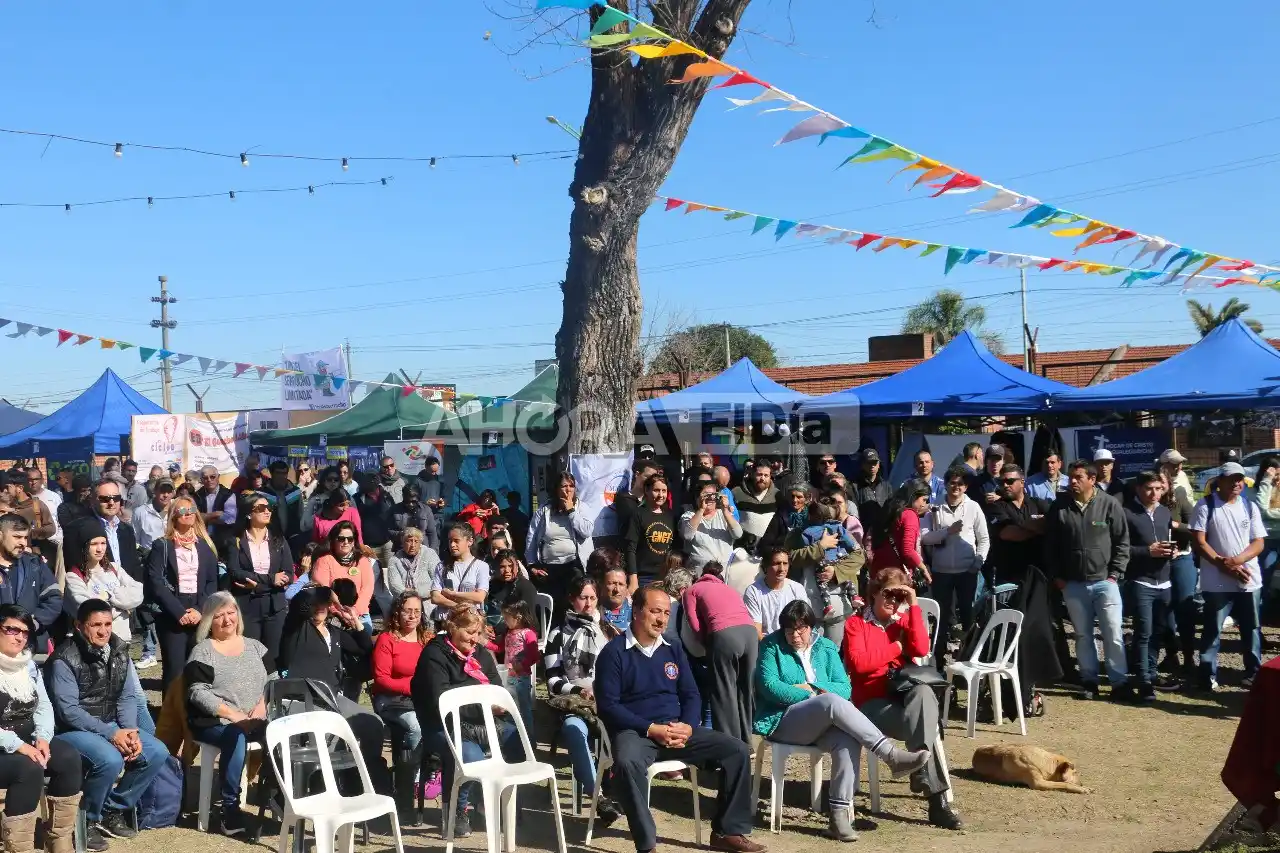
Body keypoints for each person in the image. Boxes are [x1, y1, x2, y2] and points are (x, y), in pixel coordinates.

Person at [595, 586, 766, 853]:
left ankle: (728, 832)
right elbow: (608, 706)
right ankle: (647, 844)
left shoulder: (673, 649)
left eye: (666, 612)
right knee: (627, 763)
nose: (662, 619)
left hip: (676, 729)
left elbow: (691, 694)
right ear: (637, 612)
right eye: (655, 611)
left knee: (738, 750)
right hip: (636, 731)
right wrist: (651, 729)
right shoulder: (614, 652)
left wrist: (688, 724)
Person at [755, 600, 929, 842]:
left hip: (821, 722)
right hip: (783, 720)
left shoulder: (825, 646)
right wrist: (812, 694)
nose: (795, 635)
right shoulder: (771, 646)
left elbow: (844, 687)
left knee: (847, 738)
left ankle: (838, 817)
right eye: (789, 630)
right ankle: (891, 755)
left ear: (811, 627)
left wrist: (812, 687)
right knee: (830, 702)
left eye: (801, 629)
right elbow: (769, 687)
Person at [843, 568, 963, 830]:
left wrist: (914, 605)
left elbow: (920, 648)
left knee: (923, 693)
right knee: (926, 724)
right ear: (874, 592)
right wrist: (896, 648)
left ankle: (920, 768)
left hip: (906, 701)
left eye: (899, 595)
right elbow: (859, 665)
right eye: (888, 593)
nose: (893, 601)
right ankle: (937, 804)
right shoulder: (856, 624)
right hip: (871, 704)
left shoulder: (903, 621)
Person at [50, 600, 169, 847]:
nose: (103, 631)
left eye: (107, 624)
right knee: (109, 759)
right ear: (79, 626)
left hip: (110, 724)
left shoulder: (118, 650)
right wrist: (112, 732)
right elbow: (68, 711)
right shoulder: (64, 658)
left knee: (157, 751)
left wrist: (130, 731)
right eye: (96, 625)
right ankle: (89, 820)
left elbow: (126, 696)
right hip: (71, 730)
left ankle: (113, 809)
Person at [411, 604, 524, 838]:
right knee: (470, 755)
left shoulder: (481, 654)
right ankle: (457, 809)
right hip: (440, 725)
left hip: (479, 722)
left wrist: (491, 703)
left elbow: (496, 688)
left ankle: (495, 799)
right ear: (452, 627)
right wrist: (481, 701)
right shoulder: (434, 655)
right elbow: (441, 700)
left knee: (517, 739)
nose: (474, 639)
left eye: (477, 633)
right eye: (469, 632)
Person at [276, 585, 388, 789]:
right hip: (302, 699)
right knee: (331, 730)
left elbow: (364, 648)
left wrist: (356, 622)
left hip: (332, 699)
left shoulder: (334, 633)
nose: (319, 607)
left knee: (373, 723)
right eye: (315, 604)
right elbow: (300, 602)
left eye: (323, 604)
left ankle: (361, 780)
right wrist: (329, 594)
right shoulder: (296, 628)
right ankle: (320, 786)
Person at [184, 592, 273, 836]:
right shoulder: (203, 651)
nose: (226, 620)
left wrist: (263, 704)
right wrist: (234, 715)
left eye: (231, 613)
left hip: (256, 716)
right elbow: (197, 693)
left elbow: (274, 680)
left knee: (284, 732)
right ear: (208, 622)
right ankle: (229, 808)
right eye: (218, 616)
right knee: (236, 737)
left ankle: (278, 793)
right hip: (215, 721)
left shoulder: (255, 646)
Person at [0, 604, 82, 853]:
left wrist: (43, 737)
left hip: (26, 737)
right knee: (28, 769)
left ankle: (59, 839)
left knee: (68, 757)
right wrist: (20, 746)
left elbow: (43, 705)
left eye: (25, 632)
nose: (20, 637)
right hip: (6, 745)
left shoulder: (28, 665)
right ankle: (20, 848)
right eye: (11, 630)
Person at [1046, 460, 1131, 701]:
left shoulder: (1109, 504)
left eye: (1078, 477)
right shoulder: (1059, 506)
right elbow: (1050, 545)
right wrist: (1058, 577)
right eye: (1071, 477)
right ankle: (1089, 680)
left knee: (1113, 631)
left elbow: (1122, 542)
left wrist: (1115, 574)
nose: (1072, 481)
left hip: (1106, 582)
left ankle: (1119, 681)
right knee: (1083, 634)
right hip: (1073, 584)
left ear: (1092, 480)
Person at [542, 574, 622, 825]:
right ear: (571, 599)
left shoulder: (609, 631)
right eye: (582, 598)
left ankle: (619, 789)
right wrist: (579, 692)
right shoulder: (558, 634)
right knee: (573, 729)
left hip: (609, 701)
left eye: (592, 598)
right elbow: (552, 680)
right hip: (576, 703)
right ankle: (598, 799)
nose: (588, 604)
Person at [1190, 461, 1265, 691]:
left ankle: (1253, 673)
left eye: (1240, 479)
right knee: (1213, 628)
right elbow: (1199, 541)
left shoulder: (1250, 507)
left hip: (1248, 579)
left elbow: (1259, 542)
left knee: (1251, 628)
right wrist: (1224, 565)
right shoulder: (1205, 506)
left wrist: (1237, 562)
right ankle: (1207, 674)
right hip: (1216, 582)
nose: (1236, 483)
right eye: (1231, 479)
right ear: (1219, 481)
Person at [146, 495, 220, 690]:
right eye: (182, 511)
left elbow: (212, 582)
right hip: (172, 613)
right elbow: (156, 582)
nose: (188, 514)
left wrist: (199, 610)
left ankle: (195, 714)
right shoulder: (162, 545)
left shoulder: (205, 546)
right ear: (173, 516)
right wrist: (179, 612)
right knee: (175, 671)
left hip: (199, 608)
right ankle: (172, 718)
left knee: (199, 668)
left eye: (192, 511)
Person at [919, 468, 989, 667]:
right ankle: (938, 661)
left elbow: (984, 539)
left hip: (967, 572)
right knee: (941, 617)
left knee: (968, 616)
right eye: (952, 483)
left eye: (960, 483)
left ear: (966, 487)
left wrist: (977, 564)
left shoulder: (974, 507)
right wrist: (947, 532)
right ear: (946, 484)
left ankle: (970, 658)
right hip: (941, 572)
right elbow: (924, 537)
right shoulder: (935, 507)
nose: (956, 487)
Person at [371, 591, 430, 823]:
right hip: (391, 700)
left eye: (417, 611)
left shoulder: (426, 638)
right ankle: (407, 787)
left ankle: (426, 777)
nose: (412, 616)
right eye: (407, 610)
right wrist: (413, 686)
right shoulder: (387, 639)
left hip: (420, 700)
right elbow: (382, 679)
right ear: (397, 612)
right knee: (416, 727)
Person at [682, 561, 757, 743]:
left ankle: (730, 744)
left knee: (724, 690)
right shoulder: (730, 589)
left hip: (724, 634)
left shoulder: (692, 590)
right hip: (750, 633)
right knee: (745, 689)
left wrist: (707, 644)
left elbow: (694, 623)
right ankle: (747, 741)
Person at [1123, 471, 1175, 704]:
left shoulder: (1164, 512)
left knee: (1158, 632)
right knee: (1143, 632)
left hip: (1164, 581)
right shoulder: (1127, 513)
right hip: (1141, 580)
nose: (1154, 493)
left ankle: (1151, 673)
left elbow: (1168, 540)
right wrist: (1147, 551)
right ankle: (1143, 680)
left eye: (1157, 488)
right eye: (1148, 489)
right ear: (1138, 489)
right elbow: (1120, 549)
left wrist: (1172, 551)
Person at [225, 493, 293, 662]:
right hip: (247, 605)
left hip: (274, 606)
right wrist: (270, 580)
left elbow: (288, 575)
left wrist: (257, 583)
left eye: (269, 508)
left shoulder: (279, 540)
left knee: (272, 657)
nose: (267, 511)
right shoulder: (236, 541)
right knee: (249, 656)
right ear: (249, 513)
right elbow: (235, 572)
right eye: (261, 508)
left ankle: (271, 689)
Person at [63, 521, 145, 642]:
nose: (100, 549)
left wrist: (109, 596)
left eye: (103, 543)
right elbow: (89, 610)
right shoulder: (74, 576)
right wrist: (123, 607)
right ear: (83, 546)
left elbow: (138, 593)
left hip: (122, 640)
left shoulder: (114, 568)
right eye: (94, 544)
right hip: (92, 644)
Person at [525, 473, 594, 612]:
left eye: (571, 486)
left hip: (574, 565)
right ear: (556, 489)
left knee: (573, 604)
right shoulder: (544, 510)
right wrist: (531, 565)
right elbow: (531, 537)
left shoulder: (582, 507)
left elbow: (586, 531)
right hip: (550, 567)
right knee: (552, 607)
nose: (568, 490)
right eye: (564, 486)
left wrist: (571, 511)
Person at [0, 514, 62, 654]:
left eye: (25, 537)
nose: (23, 543)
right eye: (17, 537)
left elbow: (54, 598)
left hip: (31, 648)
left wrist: (32, 623)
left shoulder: (35, 565)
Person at [1158, 470, 1198, 686]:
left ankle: (1190, 658)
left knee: (1185, 608)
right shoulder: (1145, 504)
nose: (1158, 488)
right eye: (1154, 484)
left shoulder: (1179, 497)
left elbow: (1194, 528)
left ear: (1168, 484)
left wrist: (1175, 526)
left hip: (1182, 559)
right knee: (1165, 611)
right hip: (1158, 563)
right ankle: (1171, 655)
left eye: (1161, 483)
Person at [311, 521, 375, 629]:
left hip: (361, 616)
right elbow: (323, 590)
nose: (346, 542)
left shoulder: (362, 561)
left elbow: (367, 589)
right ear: (333, 540)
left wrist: (354, 611)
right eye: (341, 538)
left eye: (350, 539)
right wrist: (341, 614)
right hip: (332, 616)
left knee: (365, 644)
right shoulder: (324, 561)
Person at [623, 473, 680, 593]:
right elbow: (630, 549)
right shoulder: (638, 514)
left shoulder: (671, 516)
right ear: (647, 491)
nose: (661, 495)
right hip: (644, 577)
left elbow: (676, 547)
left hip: (667, 576)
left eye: (664, 491)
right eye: (656, 490)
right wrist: (633, 580)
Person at [869, 480, 932, 589]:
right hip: (896, 574)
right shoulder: (910, 515)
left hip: (878, 569)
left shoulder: (889, 510)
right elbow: (908, 550)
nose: (924, 504)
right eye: (924, 500)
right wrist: (923, 568)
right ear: (913, 496)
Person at [430, 523, 489, 624]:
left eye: (456, 541)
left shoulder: (481, 566)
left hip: (471, 622)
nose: (452, 545)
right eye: (450, 541)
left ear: (470, 541)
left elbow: (479, 597)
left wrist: (453, 594)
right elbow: (435, 596)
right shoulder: (442, 566)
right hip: (446, 622)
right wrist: (459, 607)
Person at [680, 481, 744, 573]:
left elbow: (738, 534)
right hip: (698, 573)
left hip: (723, 573)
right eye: (706, 495)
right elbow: (687, 535)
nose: (710, 498)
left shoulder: (724, 515)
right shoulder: (689, 516)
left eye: (713, 495)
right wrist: (701, 509)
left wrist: (725, 510)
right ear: (697, 497)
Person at [744, 547, 808, 637]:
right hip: (766, 644)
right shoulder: (753, 591)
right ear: (766, 566)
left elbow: (804, 623)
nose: (781, 568)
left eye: (785, 563)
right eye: (777, 564)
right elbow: (756, 631)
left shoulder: (797, 589)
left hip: (793, 640)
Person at [485, 550, 538, 644]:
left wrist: (497, 630)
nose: (507, 571)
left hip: (519, 633)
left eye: (510, 566)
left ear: (517, 566)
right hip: (490, 629)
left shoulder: (525, 587)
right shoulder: (493, 585)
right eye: (502, 566)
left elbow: (527, 619)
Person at [502, 600, 539, 731]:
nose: (504, 620)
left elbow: (535, 656)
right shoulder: (509, 633)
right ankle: (514, 739)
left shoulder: (528, 633)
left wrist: (521, 666)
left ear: (518, 617)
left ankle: (529, 739)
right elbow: (501, 649)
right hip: (510, 676)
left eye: (506, 618)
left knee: (524, 709)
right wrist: (484, 642)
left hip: (521, 678)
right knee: (511, 708)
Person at [8, 472, 56, 565]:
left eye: (8, 488)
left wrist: (30, 533)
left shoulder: (37, 505)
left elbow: (51, 528)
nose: (6, 491)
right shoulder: (8, 507)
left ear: (20, 488)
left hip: (34, 554)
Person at [1251, 456, 1280, 604]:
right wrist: (1267, 481)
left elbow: (1267, 512)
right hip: (1268, 540)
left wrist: (1270, 513)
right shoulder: (1259, 489)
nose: (1277, 479)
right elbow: (1262, 509)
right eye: (1275, 475)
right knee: (1264, 576)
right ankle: (1256, 616)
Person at [355, 473, 398, 570]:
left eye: (371, 490)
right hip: (368, 545)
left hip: (387, 544)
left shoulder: (387, 497)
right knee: (373, 574)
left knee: (390, 572)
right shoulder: (357, 498)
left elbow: (393, 516)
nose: (369, 492)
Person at [388, 526, 441, 599]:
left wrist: (418, 594)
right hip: (404, 601)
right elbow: (394, 585)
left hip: (428, 601)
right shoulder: (394, 560)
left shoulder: (429, 554)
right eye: (409, 541)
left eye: (416, 541)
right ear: (403, 542)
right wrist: (410, 596)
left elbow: (438, 580)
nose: (413, 545)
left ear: (420, 543)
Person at [731, 464, 777, 548]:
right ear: (752, 475)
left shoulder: (777, 495)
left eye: (766, 475)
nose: (762, 478)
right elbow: (729, 519)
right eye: (759, 474)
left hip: (768, 549)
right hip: (742, 548)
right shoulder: (736, 492)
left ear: (771, 477)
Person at [195, 466, 237, 552]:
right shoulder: (197, 495)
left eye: (212, 476)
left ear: (218, 477)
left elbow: (230, 519)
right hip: (202, 540)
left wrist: (205, 518)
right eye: (205, 478)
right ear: (202, 480)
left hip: (224, 541)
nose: (209, 480)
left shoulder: (228, 494)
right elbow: (194, 517)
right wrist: (215, 514)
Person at [259, 460, 302, 543]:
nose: (282, 476)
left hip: (293, 537)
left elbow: (301, 514)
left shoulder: (295, 492)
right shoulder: (262, 493)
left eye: (284, 473)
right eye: (278, 473)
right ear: (272, 474)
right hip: (270, 537)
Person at [851, 449, 892, 533]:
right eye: (869, 462)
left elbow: (891, 509)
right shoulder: (854, 486)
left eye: (874, 463)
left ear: (879, 465)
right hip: (864, 532)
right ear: (862, 465)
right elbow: (854, 514)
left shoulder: (887, 486)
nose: (872, 466)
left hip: (884, 532)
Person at [392, 485, 439, 553]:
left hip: (423, 550)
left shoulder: (426, 510)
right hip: (402, 550)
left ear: (418, 499)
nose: (410, 504)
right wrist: (403, 534)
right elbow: (389, 531)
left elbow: (432, 533)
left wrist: (432, 552)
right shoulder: (395, 509)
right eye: (407, 501)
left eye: (413, 502)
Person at [131, 479, 173, 553]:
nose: (166, 495)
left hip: (172, 557)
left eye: (169, 492)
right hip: (148, 558)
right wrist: (142, 553)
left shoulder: (177, 511)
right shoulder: (140, 512)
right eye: (162, 491)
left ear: (173, 493)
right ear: (155, 491)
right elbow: (134, 539)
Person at [300, 466, 342, 534]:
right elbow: (304, 526)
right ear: (323, 480)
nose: (333, 482)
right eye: (329, 479)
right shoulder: (316, 499)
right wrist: (320, 512)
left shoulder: (345, 498)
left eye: (336, 479)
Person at [967, 444, 1007, 515]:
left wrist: (1000, 499)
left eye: (998, 459)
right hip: (985, 522)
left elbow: (1018, 500)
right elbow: (968, 503)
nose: (995, 463)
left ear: (1003, 461)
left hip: (1006, 522)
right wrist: (983, 500)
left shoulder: (1009, 480)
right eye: (992, 460)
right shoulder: (976, 481)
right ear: (986, 461)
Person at [598, 558, 632, 636]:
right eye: (611, 584)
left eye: (621, 584)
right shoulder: (593, 612)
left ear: (626, 587)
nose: (617, 589)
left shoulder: (636, 612)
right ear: (602, 586)